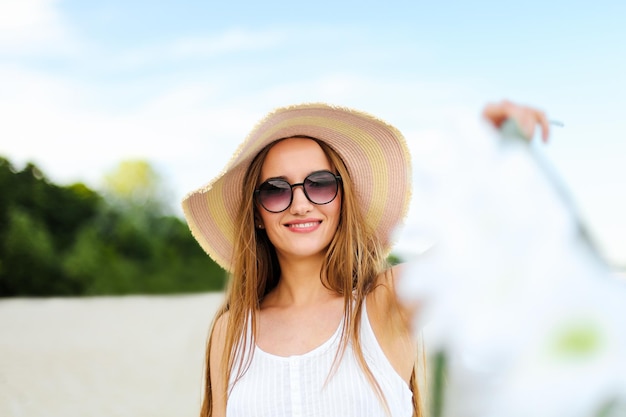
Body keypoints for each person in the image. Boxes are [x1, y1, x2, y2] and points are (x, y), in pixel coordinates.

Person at [182, 101, 550, 417]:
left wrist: (496, 150)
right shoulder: (231, 330)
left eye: (320, 183)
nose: (300, 203)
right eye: (276, 190)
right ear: (258, 214)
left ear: (343, 200)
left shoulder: (386, 302)